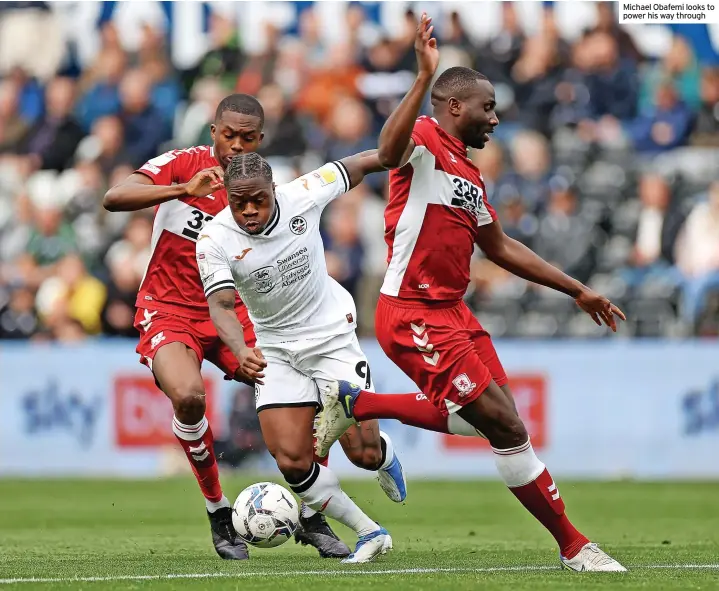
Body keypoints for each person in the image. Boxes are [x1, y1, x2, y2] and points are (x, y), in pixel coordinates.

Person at [316, 14, 627, 573]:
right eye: (487, 107)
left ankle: (357, 404)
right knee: (505, 428)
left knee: (495, 419)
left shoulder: (471, 178)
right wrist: (421, 77)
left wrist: (577, 290)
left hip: (452, 313)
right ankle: (575, 547)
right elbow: (387, 154)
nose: (496, 117)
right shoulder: (426, 139)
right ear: (453, 106)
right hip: (411, 313)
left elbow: (502, 248)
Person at [102, 94, 405, 561]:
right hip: (169, 308)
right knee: (187, 396)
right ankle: (218, 511)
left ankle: (313, 511)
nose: (237, 146)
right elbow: (115, 196)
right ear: (213, 132)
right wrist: (181, 190)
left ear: (260, 139)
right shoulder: (183, 164)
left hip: (235, 311)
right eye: (229, 136)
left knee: (317, 413)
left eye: (248, 138)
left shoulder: (262, 188)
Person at [196, 151, 398, 563]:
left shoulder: (303, 194)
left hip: (332, 339)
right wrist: (240, 349)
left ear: (273, 191)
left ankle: (385, 454)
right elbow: (220, 305)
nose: (249, 210)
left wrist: (404, 150)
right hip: (275, 350)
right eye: (239, 202)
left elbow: (358, 165)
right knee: (291, 458)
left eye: (258, 199)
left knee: (363, 455)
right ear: (228, 197)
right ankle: (369, 531)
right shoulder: (214, 239)